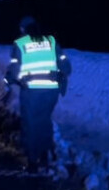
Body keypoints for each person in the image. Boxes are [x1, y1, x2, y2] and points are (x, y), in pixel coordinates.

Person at [4, 16, 71, 173]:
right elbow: (66, 67)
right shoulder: (51, 41)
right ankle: (45, 156)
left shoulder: (20, 44)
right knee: (44, 120)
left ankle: (32, 163)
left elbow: (14, 70)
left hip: (32, 92)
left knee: (30, 124)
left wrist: (9, 81)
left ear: (22, 29)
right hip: (52, 91)